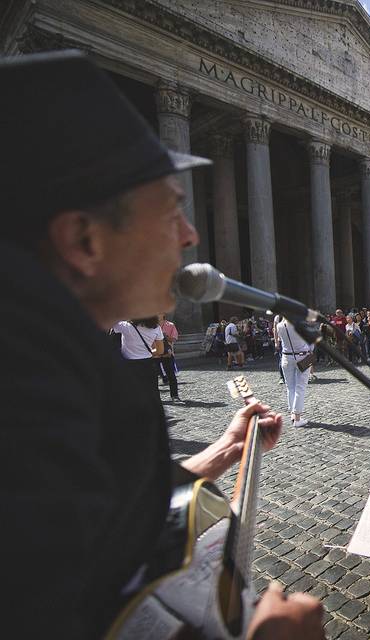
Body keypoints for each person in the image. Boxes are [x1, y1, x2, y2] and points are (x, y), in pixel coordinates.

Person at [0, 51, 323, 638]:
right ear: (84, 239)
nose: (191, 234)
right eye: (172, 209)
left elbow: (105, 521)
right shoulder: (21, 390)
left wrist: (218, 456)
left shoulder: (60, 350)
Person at [113, 316, 165, 398]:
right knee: (151, 394)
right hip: (148, 364)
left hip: (129, 365)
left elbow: (109, 322)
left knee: (131, 395)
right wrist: (147, 353)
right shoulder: (156, 327)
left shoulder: (125, 326)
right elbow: (160, 351)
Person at [275, 315, 311, 427]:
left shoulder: (279, 325)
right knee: (300, 387)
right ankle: (297, 418)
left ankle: (292, 414)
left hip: (286, 357)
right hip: (302, 356)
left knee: (290, 387)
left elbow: (280, 340)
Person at [157, 313, 181, 401]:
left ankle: (174, 395)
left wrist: (165, 337)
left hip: (167, 353)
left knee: (171, 375)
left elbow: (174, 338)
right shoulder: (151, 325)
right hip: (154, 354)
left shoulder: (170, 325)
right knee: (153, 376)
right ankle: (156, 397)